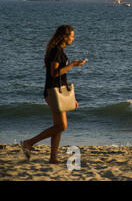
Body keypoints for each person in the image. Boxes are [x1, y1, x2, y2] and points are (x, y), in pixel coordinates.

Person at [21, 25, 87, 164]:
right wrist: (72, 65)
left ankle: (53, 158)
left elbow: (61, 77)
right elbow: (55, 73)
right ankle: (29, 143)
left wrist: (71, 98)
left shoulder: (58, 50)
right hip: (53, 92)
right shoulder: (57, 51)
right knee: (61, 125)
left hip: (58, 92)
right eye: (72, 36)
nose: (73, 39)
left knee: (58, 126)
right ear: (64, 36)